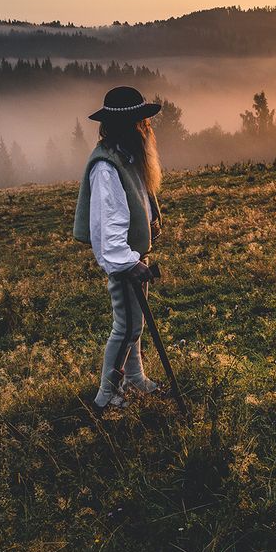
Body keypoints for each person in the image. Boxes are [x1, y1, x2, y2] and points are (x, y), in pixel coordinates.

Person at [72, 86, 165, 410]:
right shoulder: (106, 167)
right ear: (128, 127)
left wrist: (152, 220)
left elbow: (138, 199)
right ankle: (107, 394)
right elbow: (109, 225)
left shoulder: (128, 158)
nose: (147, 128)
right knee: (125, 326)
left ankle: (135, 378)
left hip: (136, 257)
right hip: (125, 261)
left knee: (134, 323)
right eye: (141, 123)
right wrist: (127, 262)